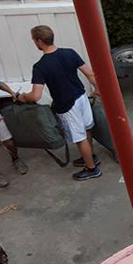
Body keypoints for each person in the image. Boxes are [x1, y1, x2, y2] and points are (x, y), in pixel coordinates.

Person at [19, 25, 101, 181]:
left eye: (34, 41)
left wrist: (23, 97)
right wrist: (97, 88)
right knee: (86, 129)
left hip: (66, 105)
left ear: (39, 41)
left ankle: (91, 168)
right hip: (81, 96)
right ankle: (90, 156)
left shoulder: (40, 66)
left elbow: (35, 96)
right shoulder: (69, 53)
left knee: (79, 137)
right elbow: (90, 73)